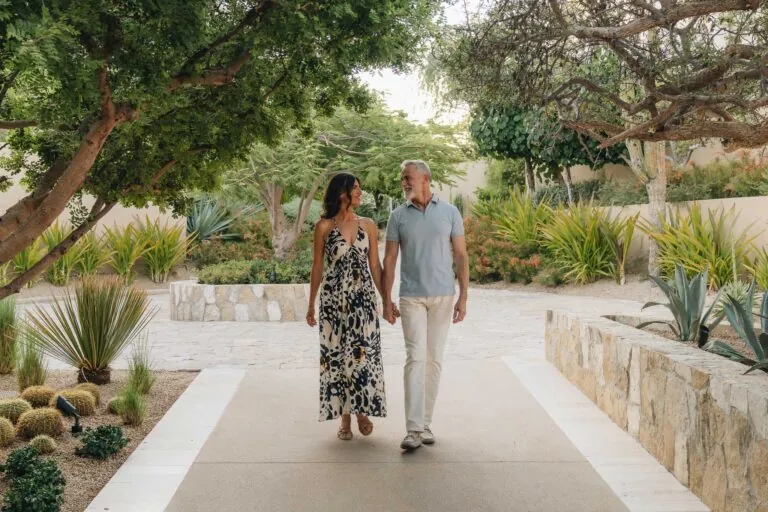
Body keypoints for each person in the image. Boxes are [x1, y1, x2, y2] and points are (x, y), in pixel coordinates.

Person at [382, 159, 469, 451]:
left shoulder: (450, 212)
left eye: (408, 177)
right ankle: (413, 429)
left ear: (425, 179)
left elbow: (461, 256)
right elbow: (390, 259)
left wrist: (464, 297)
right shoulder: (398, 216)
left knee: (434, 360)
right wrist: (386, 299)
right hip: (411, 297)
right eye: (402, 178)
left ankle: (426, 424)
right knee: (415, 358)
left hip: (444, 296)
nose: (404, 182)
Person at [307, 173, 392, 441]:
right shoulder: (323, 227)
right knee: (337, 358)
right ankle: (345, 419)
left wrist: (387, 300)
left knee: (361, 357)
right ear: (342, 192)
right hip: (333, 302)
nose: (360, 193)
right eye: (356, 188)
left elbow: (375, 267)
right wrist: (311, 304)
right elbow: (318, 266)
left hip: (364, 302)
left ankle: (361, 411)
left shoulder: (368, 225)